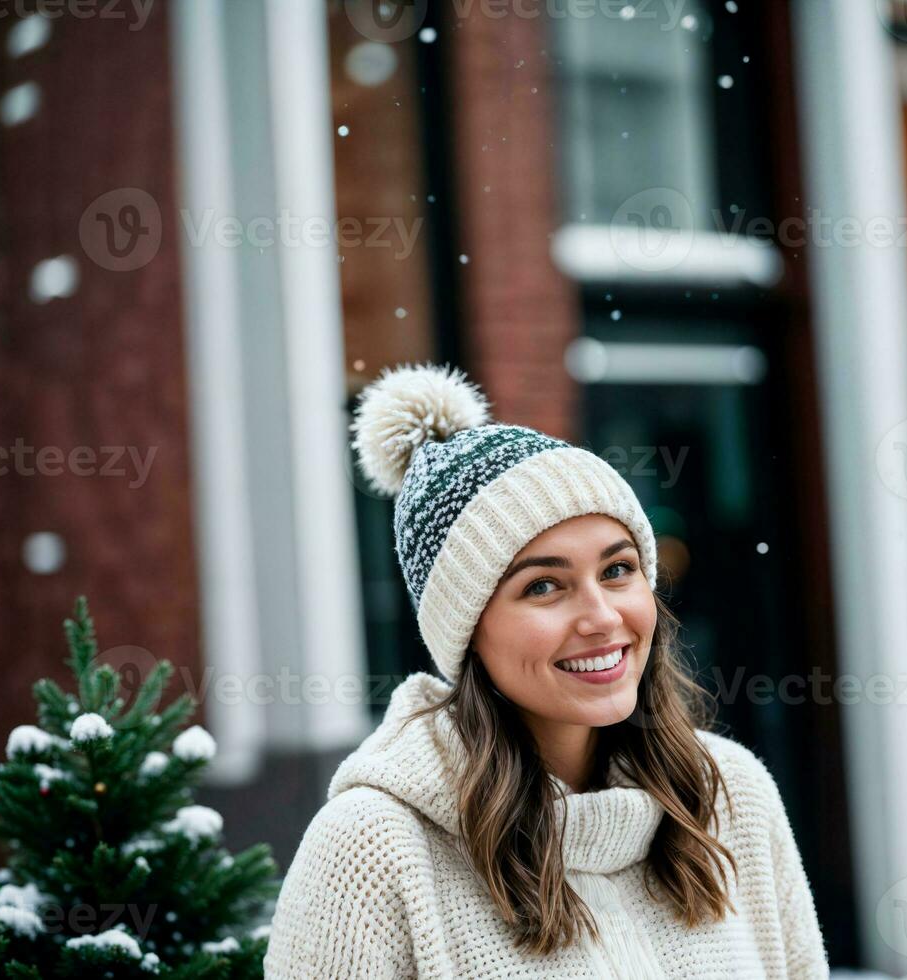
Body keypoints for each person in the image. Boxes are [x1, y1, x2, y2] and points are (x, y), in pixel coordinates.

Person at [263, 362, 830, 979]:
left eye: (617, 570)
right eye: (543, 586)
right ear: (467, 629)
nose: (602, 617)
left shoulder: (729, 796)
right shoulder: (373, 850)